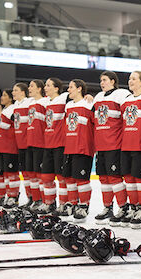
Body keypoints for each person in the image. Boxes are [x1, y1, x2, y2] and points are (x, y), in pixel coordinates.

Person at [92, 71, 131, 225]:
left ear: (113, 81)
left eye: (105, 80)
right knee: (103, 178)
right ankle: (107, 207)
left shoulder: (122, 94)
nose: (102, 83)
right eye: (101, 80)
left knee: (114, 177)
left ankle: (123, 207)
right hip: (100, 144)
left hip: (114, 144)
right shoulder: (98, 97)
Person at [120, 71, 141, 228]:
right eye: (129, 78)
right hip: (126, 144)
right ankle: (133, 207)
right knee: (129, 179)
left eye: (134, 78)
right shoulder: (125, 101)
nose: (130, 81)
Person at [63, 79, 95, 221]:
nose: (68, 90)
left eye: (71, 87)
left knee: (81, 179)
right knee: (69, 178)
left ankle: (83, 206)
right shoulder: (68, 105)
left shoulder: (89, 104)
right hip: (69, 146)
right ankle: (73, 203)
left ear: (79, 89)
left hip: (83, 147)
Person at [37, 78, 69, 215]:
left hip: (60, 144)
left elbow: (77, 95)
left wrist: (88, 95)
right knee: (46, 176)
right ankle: (49, 203)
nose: (45, 87)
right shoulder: (46, 102)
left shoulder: (63, 98)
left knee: (61, 177)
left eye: (48, 85)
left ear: (56, 88)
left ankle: (63, 204)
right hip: (47, 144)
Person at [0, 89, 19, 207]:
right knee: (6, 174)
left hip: (10, 147)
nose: (2, 97)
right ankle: (9, 195)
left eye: (4, 95)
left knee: (12, 173)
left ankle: (14, 197)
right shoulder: (5, 110)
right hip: (3, 147)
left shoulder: (13, 109)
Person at [25, 80, 47, 211]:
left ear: (40, 89)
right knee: (32, 174)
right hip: (30, 142)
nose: (29, 88)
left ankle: (46, 200)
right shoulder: (30, 103)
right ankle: (35, 199)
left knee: (40, 175)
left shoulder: (45, 101)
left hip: (41, 143)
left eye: (32, 86)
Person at [11, 83, 33, 207]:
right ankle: (29, 197)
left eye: (16, 90)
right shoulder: (16, 105)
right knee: (24, 173)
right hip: (19, 144)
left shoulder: (29, 101)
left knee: (31, 173)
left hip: (28, 144)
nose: (13, 92)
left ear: (23, 92)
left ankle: (35, 198)